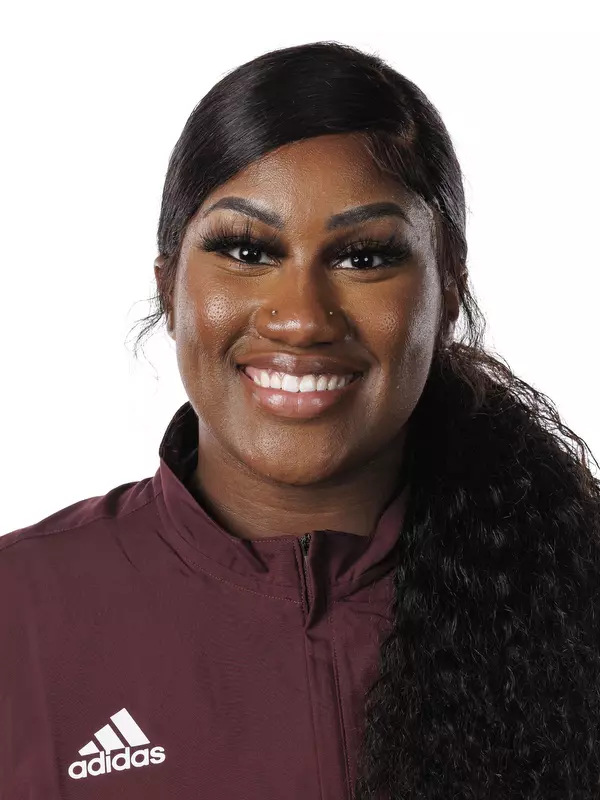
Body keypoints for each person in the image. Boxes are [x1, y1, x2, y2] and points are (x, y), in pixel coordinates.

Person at [1, 40, 599, 800]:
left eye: (363, 258)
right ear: (169, 290)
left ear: (448, 293)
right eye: (247, 249)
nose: (301, 319)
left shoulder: (575, 594)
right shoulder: (17, 613)